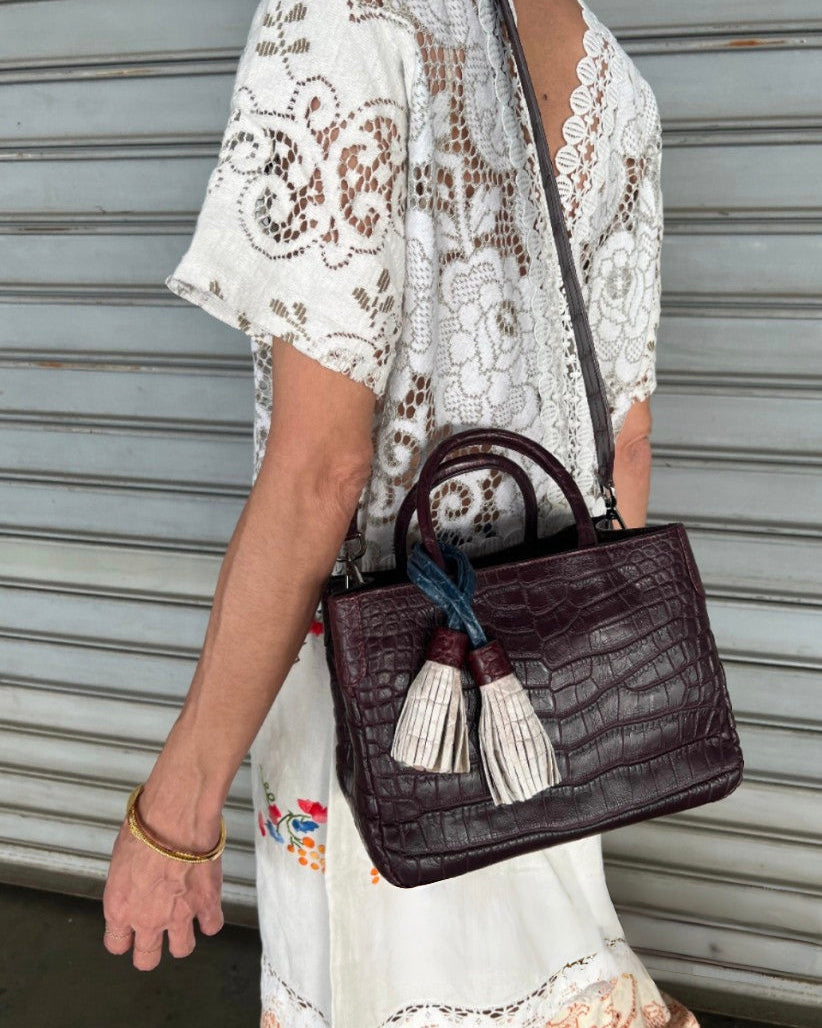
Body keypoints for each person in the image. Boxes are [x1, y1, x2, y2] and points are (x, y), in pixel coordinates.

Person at [103, 0, 698, 1024]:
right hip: (542, 692)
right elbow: (626, 447)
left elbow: (322, 471)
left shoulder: (343, 20)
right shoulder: (623, 91)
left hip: (377, 705)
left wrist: (179, 808)